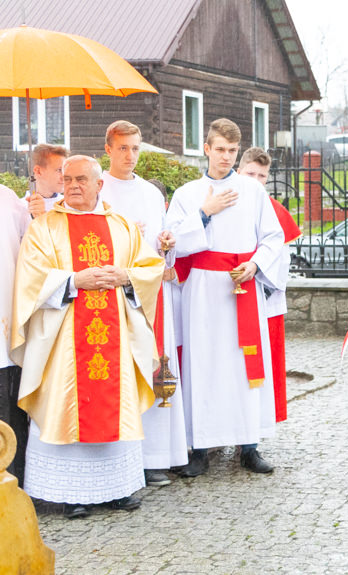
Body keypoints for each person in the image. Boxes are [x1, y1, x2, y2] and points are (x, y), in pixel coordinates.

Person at [10, 155, 164, 519]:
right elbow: (29, 278)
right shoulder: (44, 227)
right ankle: (70, 492)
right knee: (65, 406)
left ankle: (118, 489)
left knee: (116, 405)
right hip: (64, 339)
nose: (74, 186)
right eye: (68, 179)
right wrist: (72, 281)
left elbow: (149, 268)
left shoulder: (123, 226)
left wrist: (126, 276)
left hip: (116, 335)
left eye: (82, 179)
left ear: (99, 184)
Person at [167, 119, 284, 477]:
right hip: (203, 289)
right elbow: (170, 243)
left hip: (243, 287)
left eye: (232, 151)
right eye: (220, 150)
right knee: (204, 365)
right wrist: (205, 213)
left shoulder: (253, 192)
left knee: (243, 366)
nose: (226, 157)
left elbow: (273, 237)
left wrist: (255, 264)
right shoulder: (188, 193)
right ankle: (200, 448)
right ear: (206, 148)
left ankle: (249, 446)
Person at [99, 120, 187, 487]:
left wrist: (167, 245)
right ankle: (121, 458)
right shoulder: (98, 189)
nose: (130, 155)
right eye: (122, 148)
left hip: (150, 297)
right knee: (122, 374)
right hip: (114, 295)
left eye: (135, 148)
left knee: (155, 369)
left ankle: (153, 458)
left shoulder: (151, 193)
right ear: (108, 149)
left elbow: (163, 246)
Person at [237, 147, 301, 424]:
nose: (255, 180)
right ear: (239, 172)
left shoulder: (274, 210)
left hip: (264, 298)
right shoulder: (225, 201)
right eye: (250, 173)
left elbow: (281, 259)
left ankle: (257, 427)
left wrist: (260, 282)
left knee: (263, 364)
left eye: (262, 176)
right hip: (229, 296)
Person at [0, 183, 31, 484]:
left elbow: (29, 244)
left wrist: (35, 216)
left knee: (8, 407)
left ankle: (16, 481)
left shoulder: (8, 198)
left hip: (5, 316)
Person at [22, 143, 68, 218]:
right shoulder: (19, 208)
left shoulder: (70, 207)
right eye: (59, 170)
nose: (64, 176)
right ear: (38, 171)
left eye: (65, 170)